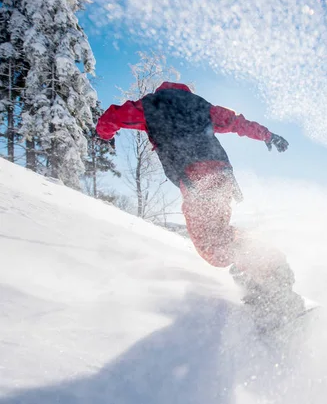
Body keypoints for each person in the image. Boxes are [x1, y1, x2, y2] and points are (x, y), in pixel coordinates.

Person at [95, 82, 305, 328]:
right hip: (222, 176)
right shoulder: (200, 106)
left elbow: (110, 117)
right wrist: (267, 135)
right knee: (220, 236)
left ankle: (272, 279)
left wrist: (104, 136)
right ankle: (258, 274)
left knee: (212, 247)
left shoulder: (151, 106)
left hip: (197, 180)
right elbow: (237, 122)